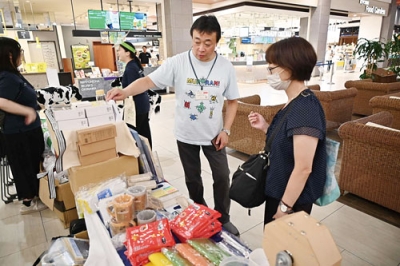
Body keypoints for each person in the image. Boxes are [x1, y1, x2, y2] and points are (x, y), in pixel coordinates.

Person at [107, 15, 240, 236]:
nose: (201, 48)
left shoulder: (225, 67)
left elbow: (233, 101)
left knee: (222, 176)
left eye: (207, 43)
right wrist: (126, 91)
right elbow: (148, 81)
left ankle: (223, 217)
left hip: (214, 135)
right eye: (197, 41)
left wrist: (226, 130)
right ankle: (200, 212)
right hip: (185, 134)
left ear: (217, 42)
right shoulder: (178, 62)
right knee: (193, 178)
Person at [248, 37, 326, 225]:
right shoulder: (295, 102)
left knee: (283, 251)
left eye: (272, 68)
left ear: (289, 67)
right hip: (280, 189)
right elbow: (289, 144)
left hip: (292, 199)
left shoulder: (305, 108)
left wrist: (284, 208)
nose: (269, 73)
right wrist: (266, 127)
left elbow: (303, 167)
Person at [0, 37, 47, 214]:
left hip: (27, 129)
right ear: (10, 55)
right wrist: (27, 111)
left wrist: (35, 106)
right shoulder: (7, 77)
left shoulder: (12, 75)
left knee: (31, 163)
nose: (22, 56)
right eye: (20, 52)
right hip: (19, 131)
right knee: (24, 164)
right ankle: (28, 201)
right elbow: (1, 101)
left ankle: (33, 196)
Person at [117, 41, 152, 147]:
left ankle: (139, 159)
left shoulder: (131, 68)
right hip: (142, 104)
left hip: (135, 106)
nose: (118, 52)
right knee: (144, 133)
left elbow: (134, 89)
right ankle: (148, 158)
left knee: (133, 136)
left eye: (119, 50)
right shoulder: (134, 66)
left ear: (127, 53)